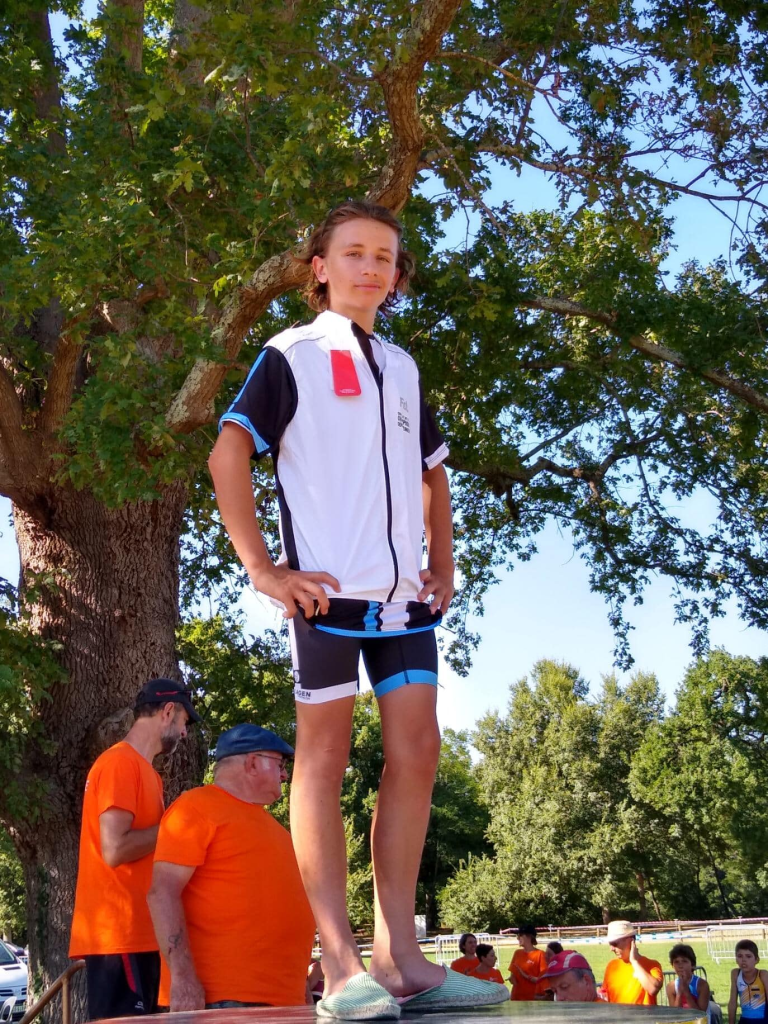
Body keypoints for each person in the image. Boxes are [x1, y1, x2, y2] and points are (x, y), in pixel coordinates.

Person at [208, 200, 507, 1020]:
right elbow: (228, 451)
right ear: (320, 267)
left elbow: (433, 471)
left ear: (396, 274)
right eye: (354, 253)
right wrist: (264, 569)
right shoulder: (291, 354)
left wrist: (442, 561)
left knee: (419, 751)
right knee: (324, 760)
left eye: (384, 256)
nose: (371, 267)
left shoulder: (403, 367)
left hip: (405, 602)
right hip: (327, 597)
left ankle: (399, 956)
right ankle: (340, 965)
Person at [147, 724, 315, 1011]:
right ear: (252, 763)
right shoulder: (196, 807)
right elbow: (161, 892)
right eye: (280, 764)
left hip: (287, 1002)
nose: (285, 775)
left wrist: (303, 990)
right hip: (221, 1000)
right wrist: (183, 979)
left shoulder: (277, 828)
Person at [68, 679, 199, 1020]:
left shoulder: (147, 773)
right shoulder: (119, 763)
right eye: (184, 721)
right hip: (120, 934)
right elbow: (114, 849)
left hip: (141, 934)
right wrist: (175, 827)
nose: (184, 733)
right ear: (168, 711)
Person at [601, 920, 663, 1006]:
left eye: (614, 944)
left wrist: (634, 961)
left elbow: (653, 989)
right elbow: (604, 994)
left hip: (644, 1015)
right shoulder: (611, 966)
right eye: (610, 944)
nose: (611, 949)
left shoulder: (652, 965)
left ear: (631, 941)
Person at [667, 944, 717, 1023]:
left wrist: (686, 992)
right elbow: (675, 1014)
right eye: (676, 962)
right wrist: (679, 994)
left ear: (693, 965)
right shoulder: (671, 986)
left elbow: (700, 1015)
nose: (680, 965)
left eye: (684, 961)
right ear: (672, 966)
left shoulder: (701, 985)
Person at [728, 940, 768, 1024]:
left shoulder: (763, 974)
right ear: (736, 959)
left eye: (748, 956)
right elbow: (732, 1002)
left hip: (763, 1020)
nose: (743, 960)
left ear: (757, 960)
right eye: (740, 956)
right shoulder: (735, 974)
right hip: (745, 1020)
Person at [508, 924, 547, 1001]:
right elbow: (513, 975)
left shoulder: (540, 954)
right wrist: (512, 979)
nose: (518, 938)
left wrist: (526, 976)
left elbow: (542, 980)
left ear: (529, 936)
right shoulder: (517, 953)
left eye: (520, 935)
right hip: (516, 998)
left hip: (532, 1000)